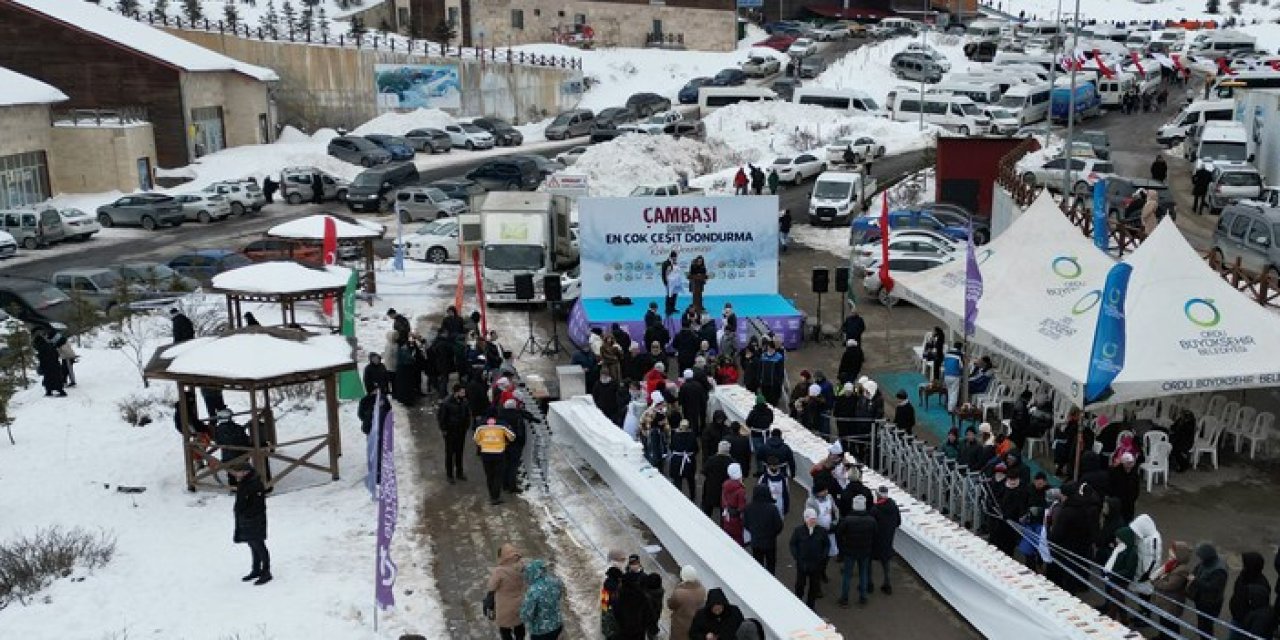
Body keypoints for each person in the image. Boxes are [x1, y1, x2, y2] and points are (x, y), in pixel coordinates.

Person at [229, 463, 271, 585]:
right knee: (252, 544)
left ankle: (266, 571)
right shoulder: (244, 482)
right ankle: (256, 569)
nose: (236, 474)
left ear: (245, 472)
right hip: (246, 520)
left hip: (254, 520)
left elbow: (258, 505)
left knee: (258, 545)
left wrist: (246, 514)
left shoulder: (255, 484)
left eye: (238, 472)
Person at [1151, 541, 1193, 640]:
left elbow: (1168, 585)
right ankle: (1162, 636)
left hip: (1171, 604)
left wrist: (1155, 581)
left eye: (1173, 551)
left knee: (1171, 625)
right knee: (1163, 621)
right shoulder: (1172, 564)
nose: (1169, 552)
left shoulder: (1181, 569)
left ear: (1179, 555)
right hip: (1165, 601)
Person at [790, 508, 830, 609]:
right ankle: (798, 604)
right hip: (802, 564)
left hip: (816, 565)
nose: (813, 521)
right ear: (805, 519)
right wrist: (797, 556)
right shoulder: (798, 531)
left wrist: (823, 557)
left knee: (814, 587)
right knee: (800, 585)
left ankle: (810, 606)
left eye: (814, 519)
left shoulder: (821, 531)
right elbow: (792, 544)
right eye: (811, 519)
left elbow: (827, 545)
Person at [486, 543, 527, 640]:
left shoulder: (499, 571)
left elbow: (491, 587)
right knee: (519, 626)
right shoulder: (522, 566)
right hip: (519, 603)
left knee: (505, 630)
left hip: (504, 606)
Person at [1187, 543, 1229, 637]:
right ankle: (1202, 632)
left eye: (1201, 557)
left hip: (1210, 603)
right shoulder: (1206, 562)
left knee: (1207, 626)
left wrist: (1195, 580)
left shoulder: (1219, 571)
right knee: (1202, 622)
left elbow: (1212, 588)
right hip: (1201, 599)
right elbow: (1197, 569)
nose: (1200, 559)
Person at [744, 482, 785, 574]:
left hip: (755, 541)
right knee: (771, 564)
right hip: (770, 542)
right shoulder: (772, 508)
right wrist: (772, 534)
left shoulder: (749, 507)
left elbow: (745, 523)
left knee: (758, 565)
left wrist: (754, 532)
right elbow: (779, 525)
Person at [519, 559, 565, 640]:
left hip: (541, 631)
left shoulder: (533, 590)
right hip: (557, 625)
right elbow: (559, 596)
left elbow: (526, 615)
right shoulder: (556, 582)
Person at [475, 417, 516, 505]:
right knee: (498, 475)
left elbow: (476, 439)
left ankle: (492, 495)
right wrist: (505, 442)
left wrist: (483, 444)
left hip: (485, 453)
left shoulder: (481, 427)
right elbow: (512, 437)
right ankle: (495, 497)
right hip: (498, 453)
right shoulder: (502, 427)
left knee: (489, 475)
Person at [1229, 552, 1271, 632]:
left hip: (1246, 623)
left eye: (1245, 564)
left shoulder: (1262, 585)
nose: (1243, 565)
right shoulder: (1243, 575)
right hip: (1236, 617)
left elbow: (1260, 608)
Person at [871, 486, 901, 594]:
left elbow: (872, 525)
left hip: (876, 539)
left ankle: (869, 584)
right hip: (888, 538)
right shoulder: (893, 506)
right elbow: (898, 522)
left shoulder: (875, 509)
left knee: (869, 561)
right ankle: (887, 584)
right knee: (886, 562)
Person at [667, 565, 707, 640]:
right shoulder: (702, 590)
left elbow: (671, 605)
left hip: (680, 624)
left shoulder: (679, 593)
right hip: (695, 625)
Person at [667, 419, 699, 500]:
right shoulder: (692, 436)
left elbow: (671, 447)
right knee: (691, 480)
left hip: (677, 461)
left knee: (677, 480)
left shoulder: (675, 436)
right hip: (689, 461)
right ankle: (692, 497)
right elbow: (696, 448)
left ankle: (678, 498)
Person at [700, 440, 733, 516]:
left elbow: (704, 471)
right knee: (723, 511)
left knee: (707, 511)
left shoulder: (711, 459)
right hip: (725, 490)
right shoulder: (731, 462)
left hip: (711, 488)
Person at [1109, 452, 1141, 523]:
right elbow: (1111, 486)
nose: (1130, 465)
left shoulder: (1134, 473)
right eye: (1128, 463)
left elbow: (1136, 487)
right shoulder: (1115, 472)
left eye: (1131, 463)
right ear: (1123, 463)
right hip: (1118, 501)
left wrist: (1135, 498)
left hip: (1130, 502)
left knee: (1129, 519)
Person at [720, 463, 747, 545]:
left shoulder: (725, 485)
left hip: (727, 516)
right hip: (737, 519)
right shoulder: (741, 490)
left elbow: (723, 501)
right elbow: (742, 507)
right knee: (738, 539)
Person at [33, 331, 66, 397]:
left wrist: (41, 367)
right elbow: (56, 354)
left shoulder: (41, 348)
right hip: (55, 365)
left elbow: (42, 359)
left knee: (48, 379)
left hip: (48, 366)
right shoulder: (50, 345)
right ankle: (58, 391)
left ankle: (50, 392)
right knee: (56, 379)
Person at [942, 342, 964, 413]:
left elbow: (944, 363)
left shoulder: (947, 352)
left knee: (949, 391)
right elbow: (961, 366)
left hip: (946, 374)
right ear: (960, 348)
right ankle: (951, 409)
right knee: (954, 392)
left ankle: (949, 406)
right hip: (955, 375)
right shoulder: (959, 355)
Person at [661, 251, 681, 316]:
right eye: (674, 257)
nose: (675, 259)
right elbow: (664, 274)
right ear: (671, 257)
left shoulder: (675, 263)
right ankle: (668, 310)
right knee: (669, 296)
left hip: (675, 282)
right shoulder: (665, 263)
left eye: (676, 258)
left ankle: (672, 308)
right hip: (668, 283)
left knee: (674, 296)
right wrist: (666, 283)